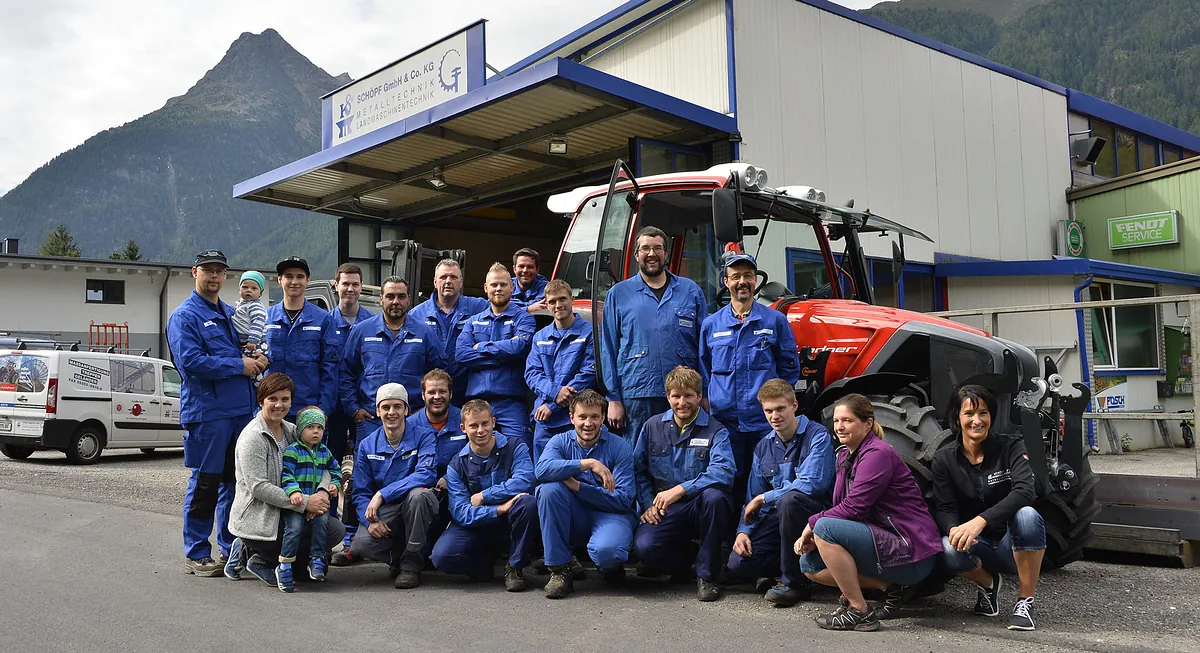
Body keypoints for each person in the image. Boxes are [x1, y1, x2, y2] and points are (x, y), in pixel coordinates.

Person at [795, 394, 941, 632]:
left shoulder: (878, 454)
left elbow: (854, 508)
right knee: (809, 564)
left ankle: (860, 611)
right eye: (836, 420)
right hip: (882, 544)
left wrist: (811, 525)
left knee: (824, 528)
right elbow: (842, 506)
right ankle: (890, 586)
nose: (840, 426)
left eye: (847, 420)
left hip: (911, 550)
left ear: (868, 423)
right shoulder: (844, 455)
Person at [167, 249, 265, 576]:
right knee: (206, 483)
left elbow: (244, 348)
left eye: (219, 271)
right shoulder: (185, 316)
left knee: (235, 485)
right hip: (208, 414)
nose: (213, 277)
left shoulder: (229, 312)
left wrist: (256, 358)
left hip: (241, 411)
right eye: (207, 270)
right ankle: (196, 551)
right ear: (194, 272)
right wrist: (240, 365)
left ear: (225, 276)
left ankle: (228, 549)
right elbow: (191, 362)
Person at [933, 385, 1045, 631]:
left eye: (983, 413)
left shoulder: (1011, 447)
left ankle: (1025, 602)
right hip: (978, 546)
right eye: (969, 413)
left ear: (991, 417)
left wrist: (980, 520)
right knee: (946, 547)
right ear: (957, 418)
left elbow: (1026, 490)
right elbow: (944, 506)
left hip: (1012, 543)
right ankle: (988, 584)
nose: (977, 420)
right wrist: (954, 530)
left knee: (1027, 515)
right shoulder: (944, 458)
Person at [224, 374, 344, 587]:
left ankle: (263, 555)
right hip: (259, 516)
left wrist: (323, 492)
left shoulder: (291, 430)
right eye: (272, 399)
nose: (279, 405)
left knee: (334, 530)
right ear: (261, 400)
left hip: (288, 509)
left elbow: (321, 460)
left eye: (285, 399)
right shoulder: (252, 437)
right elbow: (259, 487)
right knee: (304, 534)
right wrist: (306, 503)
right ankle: (258, 557)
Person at [631, 366, 736, 602]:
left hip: (700, 506)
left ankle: (707, 576)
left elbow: (724, 471)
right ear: (668, 397)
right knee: (644, 548)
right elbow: (638, 470)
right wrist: (647, 504)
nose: (682, 402)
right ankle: (688, 562)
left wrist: (681, 490)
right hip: (664, 508)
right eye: (676, 396)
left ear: (699, 396)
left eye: (689, 395)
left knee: (716, 497)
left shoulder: (716, 430)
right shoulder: (652, 427)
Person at [727, 378, 834, 606]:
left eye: (780, 409)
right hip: (779, 519)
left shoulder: (818, 436)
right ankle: (786, 569)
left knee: (789, 500)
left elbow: (813, 483)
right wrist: (743, 531)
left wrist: (767, 497)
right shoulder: (763, 446)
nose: (774, 416)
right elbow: (751, 497)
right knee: (738, 563)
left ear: (794, 406)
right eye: (768, 411)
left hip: (815, 517)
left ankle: (794, 584)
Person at [700, 252, 800, 497]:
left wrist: (778, 406)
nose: (741, 282)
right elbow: (703, 369)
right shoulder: (711, 324)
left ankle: (762, 532)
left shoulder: (775, 321)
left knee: (768, 478)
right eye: (735, 277)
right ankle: (730, 533)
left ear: (756, 280)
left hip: (763, 422)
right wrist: (708, 403)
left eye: (747, 276)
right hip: (724, 423)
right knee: (726, 481)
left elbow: (789, 367)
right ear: (726, 282)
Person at [600, 226, 706, 446]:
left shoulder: (690, 291)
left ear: (666, 254)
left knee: (684, 450)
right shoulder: (618, 294)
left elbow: (704, 347)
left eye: (657, 248)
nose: (651, 254)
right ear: (636, 254)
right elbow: (608, 349)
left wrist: (703, 393)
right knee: (639, 456)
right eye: (645, 248)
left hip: (683, 393)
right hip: (637, 393)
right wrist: (613, 399)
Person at [535, 389, 636, 599]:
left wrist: (577, 486)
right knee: (548, 490)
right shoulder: (559, 442)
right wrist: (587, 464)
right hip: (576, 514)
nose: (588, 424)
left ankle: (609, 567)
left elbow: (624, 499)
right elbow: (541, 470)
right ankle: (560, 570)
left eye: (594, 417)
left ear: (603, 418)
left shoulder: (621, 447)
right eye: (582, 417)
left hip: (611, 514)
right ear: (572, 418)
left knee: (607, 552)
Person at [338, 383, 439, 589]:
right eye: (385, 407)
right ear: (377, 411)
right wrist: (369, 523)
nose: (391, 412)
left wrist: (383, 494)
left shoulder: (424, 435)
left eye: (397, 407)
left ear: (406, 410)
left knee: (420, 496)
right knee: (362, 544)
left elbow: (426, 473)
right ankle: (397, 559)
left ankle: (411, 566)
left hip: (415, 505)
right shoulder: (367, 444)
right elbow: (360, 492)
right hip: (387, 510)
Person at [431, 399, 538, 591]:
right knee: (442, 556)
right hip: (478, 524)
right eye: (473, 425)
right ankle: (484, 566)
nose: (480, 430)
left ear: (493, 422)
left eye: (485, 423)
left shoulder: (516, 447)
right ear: (463, 428)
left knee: (528, 503)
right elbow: (461, 512)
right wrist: (498, 509)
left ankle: (515, 567)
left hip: (510, 520)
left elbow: (526, 480)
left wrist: (485, 496)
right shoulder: (456, 465)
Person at [340, 276, 444, 442]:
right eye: (390, 296)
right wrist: (354, 409)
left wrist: (426, 409)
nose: (396, 301)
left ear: (409, 299)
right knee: (370, 466)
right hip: (371, 421)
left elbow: (440, 375)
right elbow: (346, 372)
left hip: (413, 419)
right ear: (381, 299)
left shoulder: (424, 333)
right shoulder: (362, 331)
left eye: (401, 296)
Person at [456, 263, 536, 453]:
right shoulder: (473, 321)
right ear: (486, 288)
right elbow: (461, 354)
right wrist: (504, 357)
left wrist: (482, 347)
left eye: (502, 284)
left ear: (512, 286)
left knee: (521, 452)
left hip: (511, 403)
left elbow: (520, 348)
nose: (498, 288)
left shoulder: (523, 319)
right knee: (472, 457)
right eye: (493, 285)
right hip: (476, 403)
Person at [325, 263, 374, 549]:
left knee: (361, 472)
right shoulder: (325, 323)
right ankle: (329, 530)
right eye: (346, 284)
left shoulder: (372, 323)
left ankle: (354, 536)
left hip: (363, 411)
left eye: (356, 284)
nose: (351, 289)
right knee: (329, 468)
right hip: (332, 411)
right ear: (336, 285)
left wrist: (357, 407)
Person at [524, 278, 596, 462]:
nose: (558, 305)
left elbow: (589, 373)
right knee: (543, 473)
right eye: (552, 301)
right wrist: (555, 393)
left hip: (577, 418)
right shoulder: (540, 337)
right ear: (546, 305)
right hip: (544, 420)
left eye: (562, 299)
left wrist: (553, 405)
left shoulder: (589, 333)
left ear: (572, 299)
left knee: (578, 472)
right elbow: (532, 374)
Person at [276, 406, 342, 592]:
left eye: (319, 428)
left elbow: (335, 470)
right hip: (298, 503)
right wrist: (294, 492)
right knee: (294, 529)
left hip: (317, 503)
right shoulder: (293, 451)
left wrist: (334, 486)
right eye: (310, 427)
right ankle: (285, 565)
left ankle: (317, 559)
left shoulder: (324, 451)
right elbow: (287, 475)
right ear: (300, 430)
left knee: (322, 523)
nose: (315, 432)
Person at [408, 259, 489, 406]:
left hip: (468, 390)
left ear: (461, 282)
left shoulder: (478, 308)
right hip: (434, 393)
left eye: (453, 277)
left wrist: (527, 309)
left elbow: (503, 308)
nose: (448, 281)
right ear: (435, 282)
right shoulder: (416, 315)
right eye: (443, 277)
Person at [265, 256, 338, 420]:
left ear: (308, 280)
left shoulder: (323, 320)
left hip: (308, 410)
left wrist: (323, 410)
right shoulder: (265, 318)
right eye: (289, 276)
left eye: (300, 276)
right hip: (272, 410)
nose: (294, 281)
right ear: (279, 280)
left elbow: (330, 370)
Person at [408, 368, 466, 557]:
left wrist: (452, 477)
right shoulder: (410, 424)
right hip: (421, 495)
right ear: (423, 395)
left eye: (442, 391)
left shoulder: (465, 420)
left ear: (450, 394)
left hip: (458, 492)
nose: (437, 396)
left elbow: (478, 454)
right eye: (432, 392)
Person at [232, 270, 270, 387]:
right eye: (245, 287)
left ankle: (260, 386)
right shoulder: (241, 305)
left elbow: (258, 322)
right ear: (239, 290)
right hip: (246, 343)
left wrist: (252, 339)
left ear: (260, 293)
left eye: (254, 288)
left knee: (253, 367)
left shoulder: (255, 306)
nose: (248, 290)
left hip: (255, 344)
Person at [511, 247, 549, 313]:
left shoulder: (546, 287)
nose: (525, 270)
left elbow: (541, 305)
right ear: (514, 269)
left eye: (530, 267)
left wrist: (512, 307)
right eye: (521, 266)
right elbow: (497, 307)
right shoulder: (505, 285)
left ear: (537, 270)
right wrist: (528, 309)